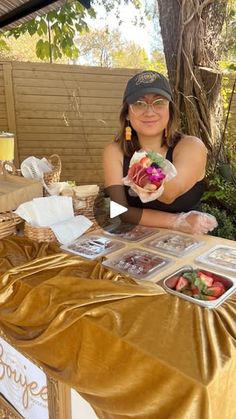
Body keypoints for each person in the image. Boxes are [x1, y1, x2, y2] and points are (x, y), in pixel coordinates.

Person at [103, 70, 217, 235]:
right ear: (127, 113)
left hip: (187, 245)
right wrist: (176, 222)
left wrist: (145, 164)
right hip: (135, 246)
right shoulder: (114, 152)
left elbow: (170, 193)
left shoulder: (191, 146)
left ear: (169, 110)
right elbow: (120, 211)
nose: (149, 112)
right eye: (139, 103)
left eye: (159, 102)